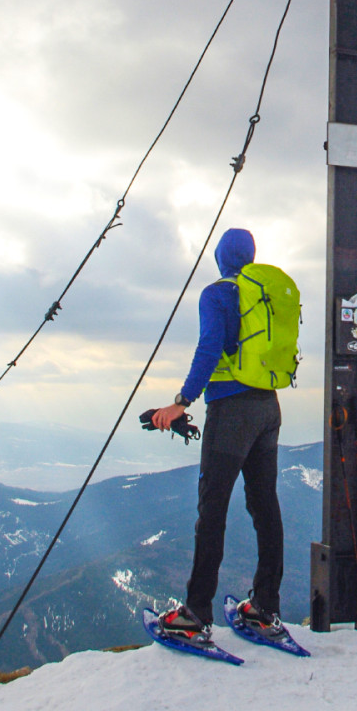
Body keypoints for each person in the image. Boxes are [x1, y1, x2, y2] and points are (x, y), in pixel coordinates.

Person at [148, 227, 289, 647]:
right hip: (269, 408)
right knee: (265, 506)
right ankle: (266, 608)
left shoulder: (217, 294)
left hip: (231, 412)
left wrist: (181, 401)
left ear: (220, 257)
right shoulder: (263, 295)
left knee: (213, 509)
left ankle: (195, 614)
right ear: (250, 256)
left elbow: (210, 347)